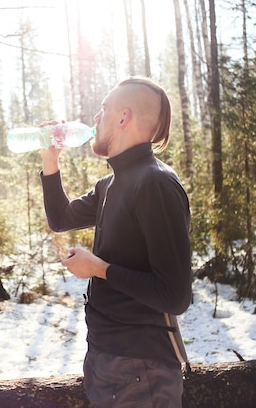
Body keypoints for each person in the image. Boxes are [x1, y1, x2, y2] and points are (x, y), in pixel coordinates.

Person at [39, 76, 192, 407]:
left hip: (143, 371)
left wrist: (98, 268)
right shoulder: (111, 184)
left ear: (124, 117)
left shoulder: (155, 184)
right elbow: (60, 218)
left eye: (103, 109)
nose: (95, 118)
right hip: (106, 360)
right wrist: (50, 162)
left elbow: (175, 295)